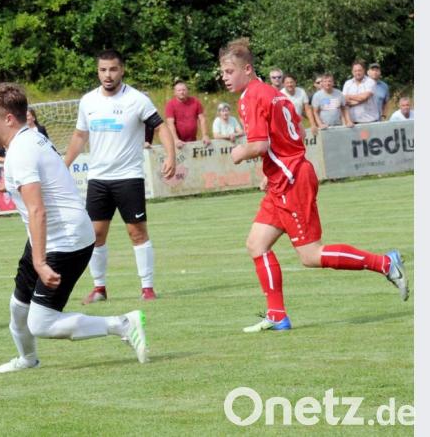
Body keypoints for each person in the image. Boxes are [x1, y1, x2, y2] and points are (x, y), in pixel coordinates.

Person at [218, 38, 408, 333]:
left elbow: (258, 144)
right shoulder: (275, 94)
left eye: (230, 71)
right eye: (223, 72)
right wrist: (271, 169)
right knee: (256, 244)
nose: (225, 77)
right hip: (284, 177)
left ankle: (384, 263)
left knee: (310, 255)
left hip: (292, 180)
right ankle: (277, 315)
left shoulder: (250, 97)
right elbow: (292, 133)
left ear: (247, 68)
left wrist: (239, 152)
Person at [0, 83, 150, 373]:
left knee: (41, 322)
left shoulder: (21, 150)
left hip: (65, 242)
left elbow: (37, 209)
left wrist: (40, 262)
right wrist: (3, 186)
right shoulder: (29, 139)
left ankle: (122, 324)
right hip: (49, 238)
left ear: (8, 119)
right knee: (18, 307)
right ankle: (27, 360)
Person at [64, 49, 176, 303]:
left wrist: (170, 156)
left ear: (122, 70)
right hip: (98, 179)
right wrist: (64, 164)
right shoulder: (88, 101)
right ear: (98, 71)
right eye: (103, 70)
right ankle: (99, 288)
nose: (108, 74)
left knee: (136, 232)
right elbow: (80, 135)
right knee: (95, 234)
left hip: (129, 177)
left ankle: (147, 287)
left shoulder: (137, 99)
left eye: (113, 69)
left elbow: (160, 127)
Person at [165, 80, 209, 148]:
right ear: (175, 92)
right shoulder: (170, 104)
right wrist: (175, 139)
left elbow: (202, 119)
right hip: (177, 143)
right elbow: (170, 123)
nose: (182, 92)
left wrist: (205, 135)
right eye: (179, 90)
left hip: (192, 141)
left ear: (187, 91)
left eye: (184, 90)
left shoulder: (195, 102)